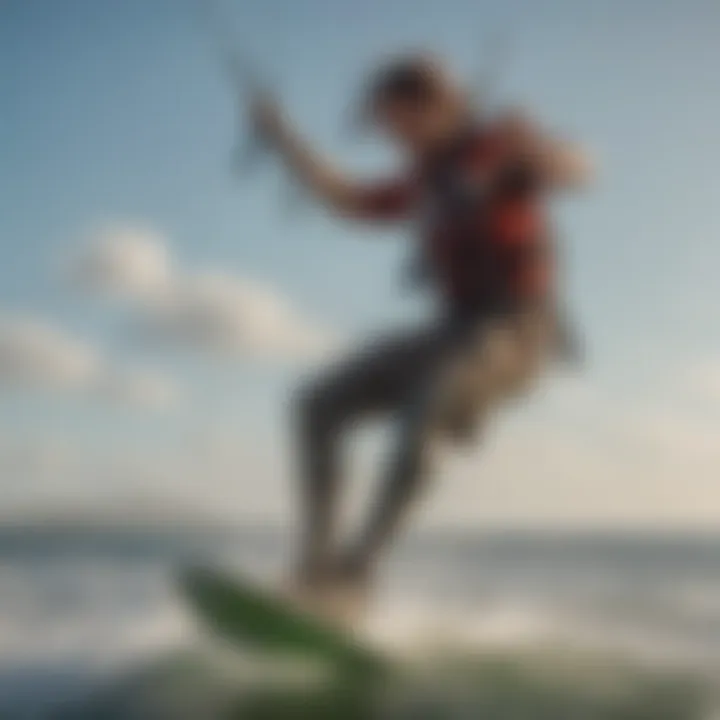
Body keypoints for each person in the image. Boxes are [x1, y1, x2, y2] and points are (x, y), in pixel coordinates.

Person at [249, 53, 591, 619]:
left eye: (398, 121)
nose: (391, 135)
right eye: (383, 125)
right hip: (451, 331)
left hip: (518, 332)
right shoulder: (423, 180)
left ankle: (357, 573)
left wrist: (546, 155)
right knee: (316, 404)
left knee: (426, 408)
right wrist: (285, 139)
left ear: (436, 107)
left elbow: (578, 169)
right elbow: (349, 200)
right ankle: (315, 571)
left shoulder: (494, 148)